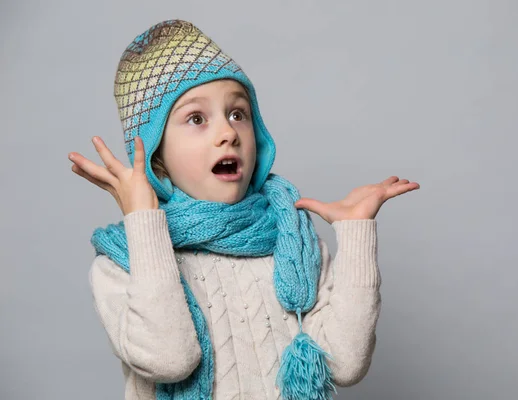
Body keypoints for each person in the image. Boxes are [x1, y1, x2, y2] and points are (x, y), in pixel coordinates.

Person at [68, 19, 420, 400]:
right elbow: (170, 360)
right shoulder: (123, 264)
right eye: (197, 119)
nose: (229, 132)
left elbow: (345, 365)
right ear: (156, 159)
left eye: (238, 113)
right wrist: (143, 221)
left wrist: (355, 236)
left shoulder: (292, 241)